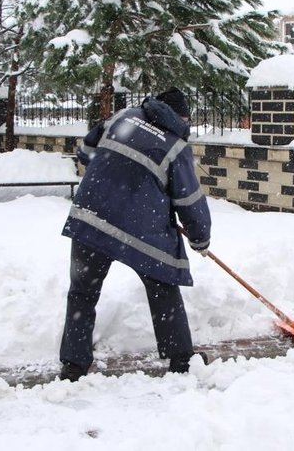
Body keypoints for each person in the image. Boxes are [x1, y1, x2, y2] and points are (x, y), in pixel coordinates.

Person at [58, 87, 212, 382]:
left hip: (91, 217)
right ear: (181, 117)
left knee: (82, 292)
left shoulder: (122, 118)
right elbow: (189, 200)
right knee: (163, 285)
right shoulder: (176, 146)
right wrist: (200, 238)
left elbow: (86, 151)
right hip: (140, 227)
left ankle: (73, 366)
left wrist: (111, 171)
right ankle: (180, 359)